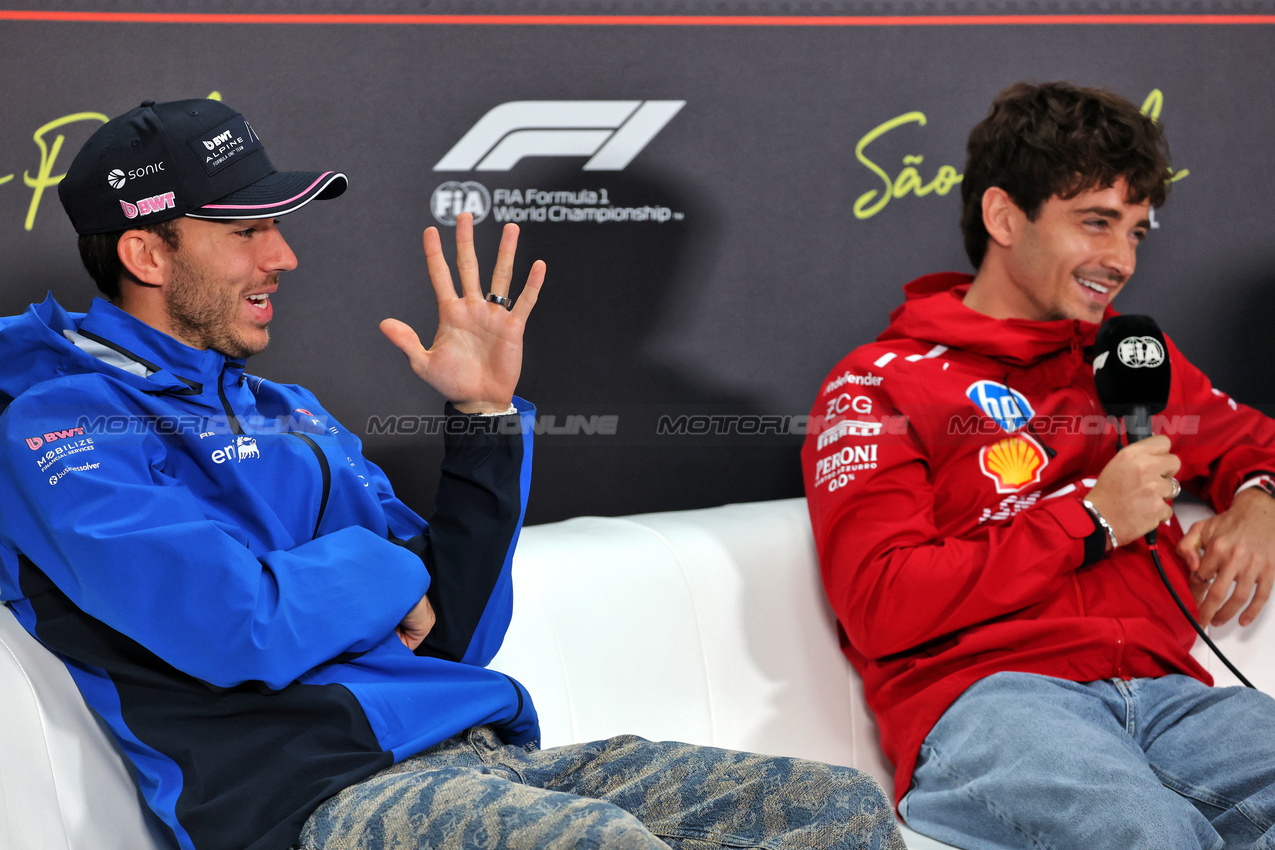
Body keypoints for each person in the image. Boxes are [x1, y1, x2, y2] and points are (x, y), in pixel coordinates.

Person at [0, 98, 904, 850]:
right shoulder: (59, 423)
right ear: (147, 254)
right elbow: (242, 623)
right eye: (246, 229)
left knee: (836, 811)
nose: (283, 256)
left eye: (275, 224)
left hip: (472, 748)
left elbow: (456, 634)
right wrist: (388, 571)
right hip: (309, 803)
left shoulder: (287, 410)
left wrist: (481, 422)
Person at [802, 81, 1275, 849]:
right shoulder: (880, 380)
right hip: (991, 705)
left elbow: (1254, 441)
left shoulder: (1128, 352)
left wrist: (1261, 501)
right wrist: (1088, 520)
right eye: (1094, 224)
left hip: (1170, 700)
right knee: (1149, 836)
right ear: (1002, 216)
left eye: (1134, 232)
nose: (1119, 260)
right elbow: (880, 601)